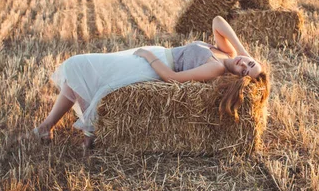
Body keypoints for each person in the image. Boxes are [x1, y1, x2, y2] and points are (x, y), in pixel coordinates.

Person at [24, 15, 269, 149]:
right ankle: (52, 128)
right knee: (89, 70)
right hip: (157, 54)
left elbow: (173, 78)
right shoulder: (226, 54)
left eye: (246, 70)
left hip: (153, 64)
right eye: (249, 63)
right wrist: (243, 52)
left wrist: (149, 56)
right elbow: (217, 20)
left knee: (82, 65)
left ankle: (53, 127)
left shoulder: (216, 67)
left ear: (238, 79)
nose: (244, 64)